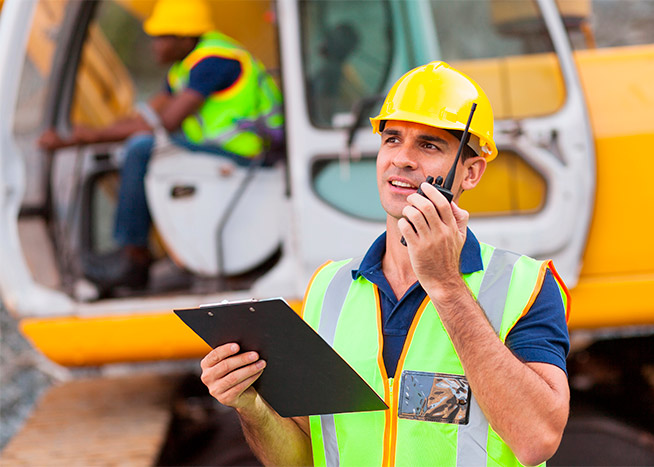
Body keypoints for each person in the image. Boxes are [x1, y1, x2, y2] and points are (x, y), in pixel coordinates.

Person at [199, 61, 570, 466]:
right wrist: (250, 405)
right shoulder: (330, 288)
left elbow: (536, 440)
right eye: (392, 139)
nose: (403, 159)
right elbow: (303, 459)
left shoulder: (523, 286)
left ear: (471, 172)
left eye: (429, 145)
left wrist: (446, 284)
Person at [38, 0, 284, 292]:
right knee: (135, 144)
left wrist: (85, 137)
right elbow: (147, 114)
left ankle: (134, 255)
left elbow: (166, 122)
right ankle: (156, 253)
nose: (155, 46)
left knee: (141, 148)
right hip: (221, 150)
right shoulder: (187, 66)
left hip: (248, 154)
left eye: (162, 38)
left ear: (185, 38)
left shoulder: (214, 62)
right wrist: (94, 132)